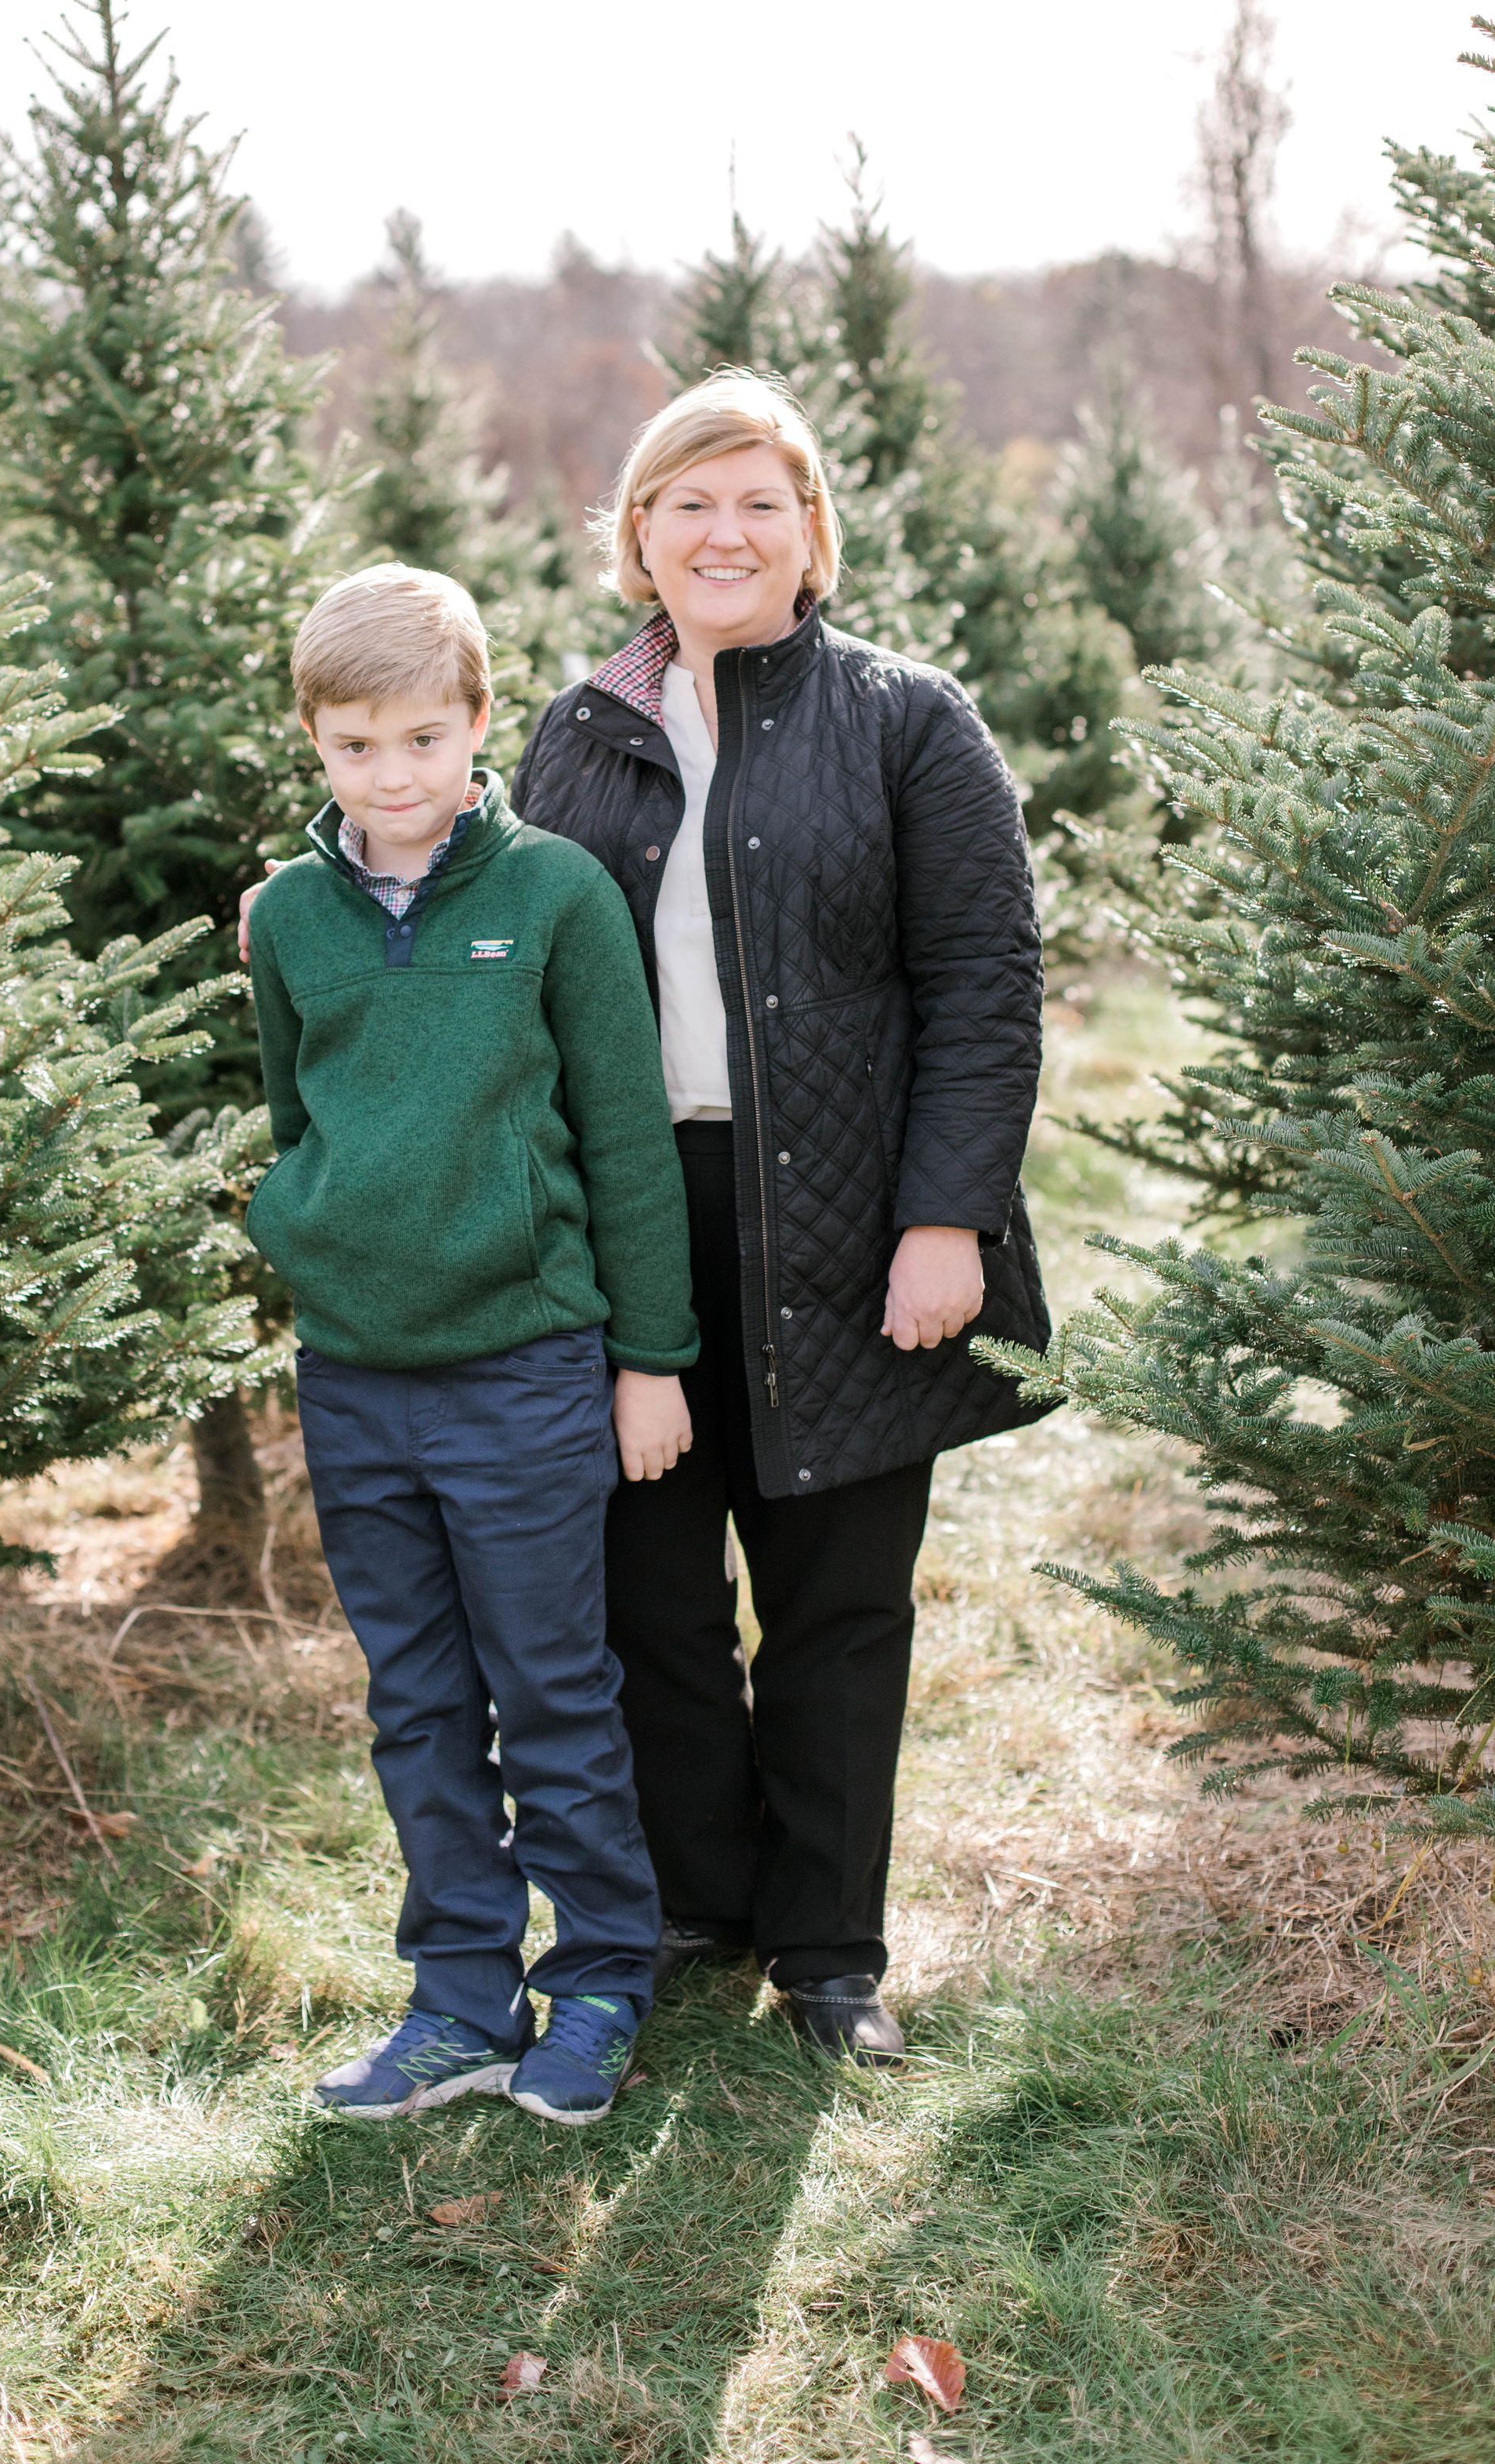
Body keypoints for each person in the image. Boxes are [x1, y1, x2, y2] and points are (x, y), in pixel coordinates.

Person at [509, 371, 1052, 2068]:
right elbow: (475, 925)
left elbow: (985, 979)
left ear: (811, 532)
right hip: (636, 1223)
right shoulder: (579, 732)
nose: (724, 531)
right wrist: (300, 896)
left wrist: (946, 1217)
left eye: (760, 501)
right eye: (689, 503)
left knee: (836, 1596)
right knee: (646, 1585)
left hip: (853, 1213)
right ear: (639, 539)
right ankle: (704, 1900)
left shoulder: (904, 718)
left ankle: (829, 1951)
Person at [244, 563, 698, 2125]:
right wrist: (302, 1227)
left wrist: (652, 1359)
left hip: (524, 1370)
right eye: (359, 748)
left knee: (553, 1687)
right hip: (357, 1375)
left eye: (425, 741)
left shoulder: (555, 897)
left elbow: (627, 1145)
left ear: (479, 725)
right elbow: (297, 1114)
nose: (396, 778)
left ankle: (600, 1986)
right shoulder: (290, 918)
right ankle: (457, 2000)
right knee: (418, 1702)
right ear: (316, 743)